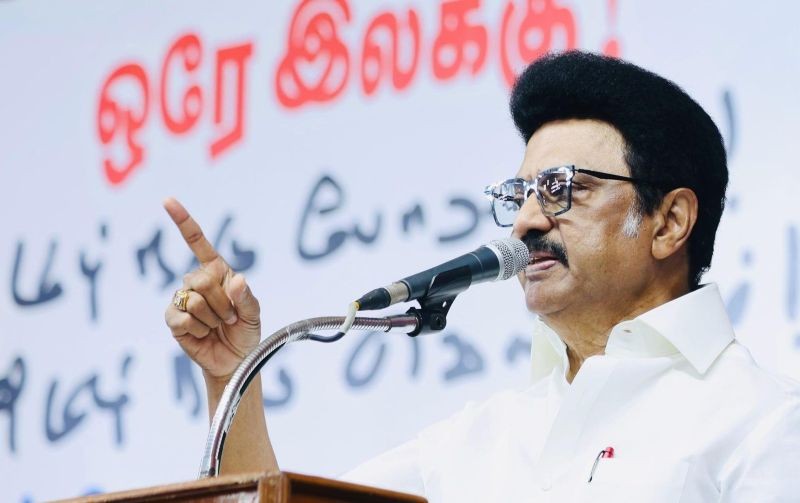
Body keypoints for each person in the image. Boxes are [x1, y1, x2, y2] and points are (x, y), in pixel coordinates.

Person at [163, 51, 800, 502]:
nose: (525, 221)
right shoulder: (479, 439)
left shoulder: (762, 423)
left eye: (562, 189)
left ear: (669, 222)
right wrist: (231, 375)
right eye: (520, 193)